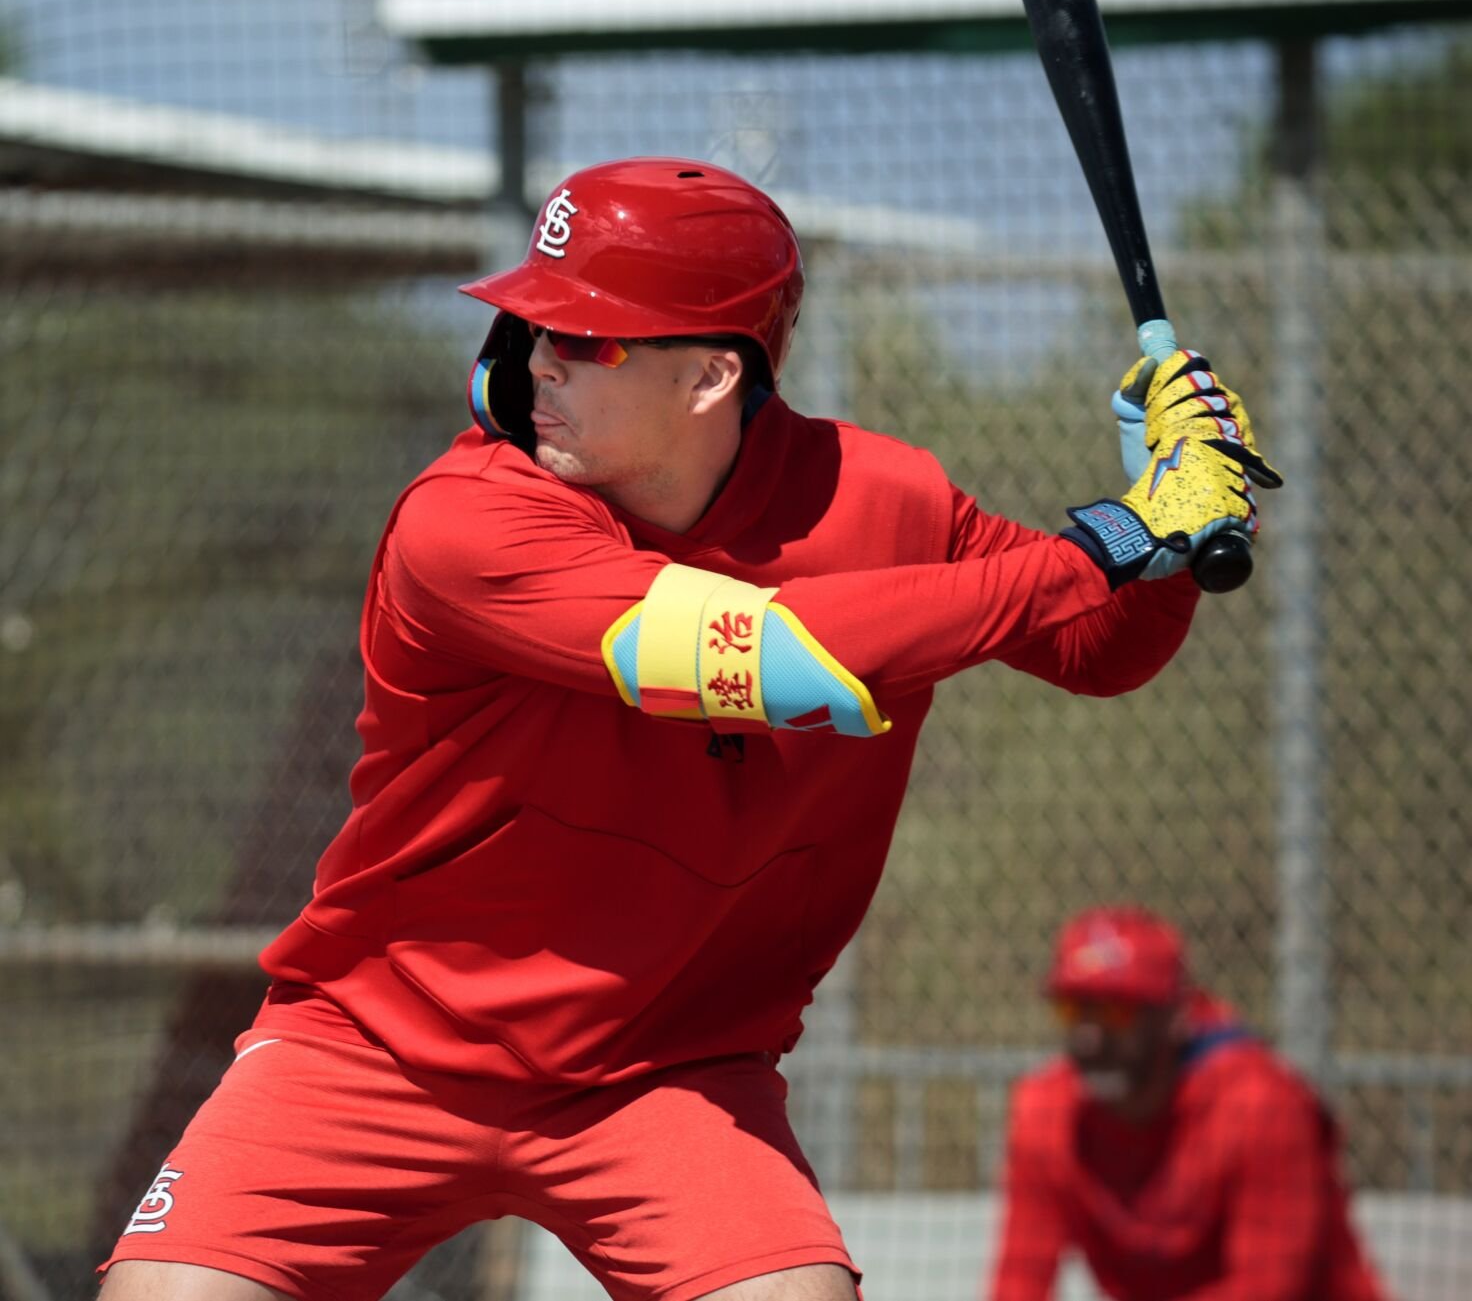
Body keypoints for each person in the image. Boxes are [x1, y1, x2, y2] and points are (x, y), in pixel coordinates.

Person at [100, 157, 1280, 1301]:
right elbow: (759, 657)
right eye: (527, 326)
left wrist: (1170, 538)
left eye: (584, 338)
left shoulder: (881, 500)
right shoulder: (464, 520)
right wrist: (1112, 541)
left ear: (712, 376)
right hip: (376, 1046)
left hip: (668, 1068)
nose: (533, 364)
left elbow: (1097, 648)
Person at [988, 906, 1390, 1301]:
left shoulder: (1260, 1104)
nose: (1090, 1037)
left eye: (1116, 1011)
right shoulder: (1047, 1110)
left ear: (1176, 1016)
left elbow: (1269, 1289)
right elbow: (1018, 1283)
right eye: (1074, 1010)